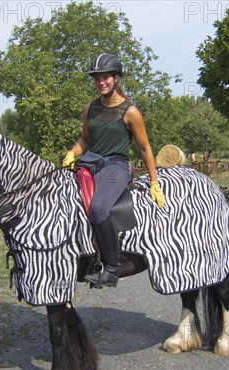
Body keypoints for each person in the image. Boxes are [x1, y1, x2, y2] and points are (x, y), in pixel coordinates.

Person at [62, 53, 165, 287]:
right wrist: (72, 153)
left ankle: (111, 268)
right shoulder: (90, 108)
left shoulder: (130, 111)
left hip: (116, 166)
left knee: (98, 209)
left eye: (105, 77)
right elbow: (84, 140)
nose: (101, 82)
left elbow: (145, 148)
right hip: (90, 164)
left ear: (116, 78)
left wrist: (154, 181)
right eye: (96, 78)